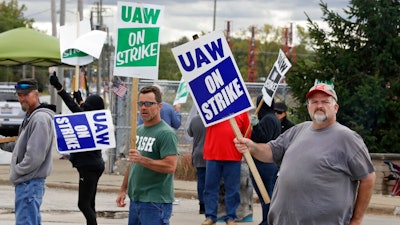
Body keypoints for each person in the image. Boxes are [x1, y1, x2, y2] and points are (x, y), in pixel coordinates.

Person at [234, 83, 376, 225]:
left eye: (325, 101)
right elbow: (270, 152)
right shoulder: (298, 130)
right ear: (308, 107)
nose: (319, 105)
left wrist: (357, 219)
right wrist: (252, 147)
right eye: (314, 102)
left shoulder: (347, 138)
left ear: (335, 108)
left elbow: (368, 177)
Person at [116, 86, 179, 225]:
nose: (144, 107)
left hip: (155, 203)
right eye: (141, 103)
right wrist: (123, 189)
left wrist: (142, 159)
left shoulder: (166, 133)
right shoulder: (137, 131)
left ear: (159, 106)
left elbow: (170, 166)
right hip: (136, 200)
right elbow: (132, 163)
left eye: (149, 104)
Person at [50, 73, 105, 225]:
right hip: (96, 164)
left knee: (83, 204)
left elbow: (72, 106)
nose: (83, 105)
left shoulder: (85, 118)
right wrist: (80, 99)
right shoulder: (99, 120)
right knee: (90, 203)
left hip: (88, 167)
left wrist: (59, 87)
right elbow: (83, 109)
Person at [0, 78, 55, 225]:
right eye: (19, 95)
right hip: (28, 184)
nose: (21, 98)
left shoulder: (40, 119)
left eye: (25, 94)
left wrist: (17, 172)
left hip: (28, 183)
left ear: (36, 94)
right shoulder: (31, 116)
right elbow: (20, 147)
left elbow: (34, 157)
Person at [202, 112, 250, 225]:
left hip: (233, 156)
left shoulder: (242, 112)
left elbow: (247, 133)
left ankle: (231, 217)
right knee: (210, 188)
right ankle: (210, 216)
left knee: (233, 190)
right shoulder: (213, 107)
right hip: (213, 154)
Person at [249, 96, 281, 225]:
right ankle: (266, 220)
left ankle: (267, 221)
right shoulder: (273, 118)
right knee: (268, 193)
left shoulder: (268, 119)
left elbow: (264, 139)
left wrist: (256, 126)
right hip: (270, 162)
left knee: (266, 194)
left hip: (264, 163)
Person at [187, 113, 207, 214]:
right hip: (211, 153)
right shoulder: (213, 120)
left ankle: (202, 205)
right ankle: (211, 204)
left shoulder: (194, 120)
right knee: (212, 181)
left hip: (198, 153)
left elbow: (190, 133)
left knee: (201, 181)